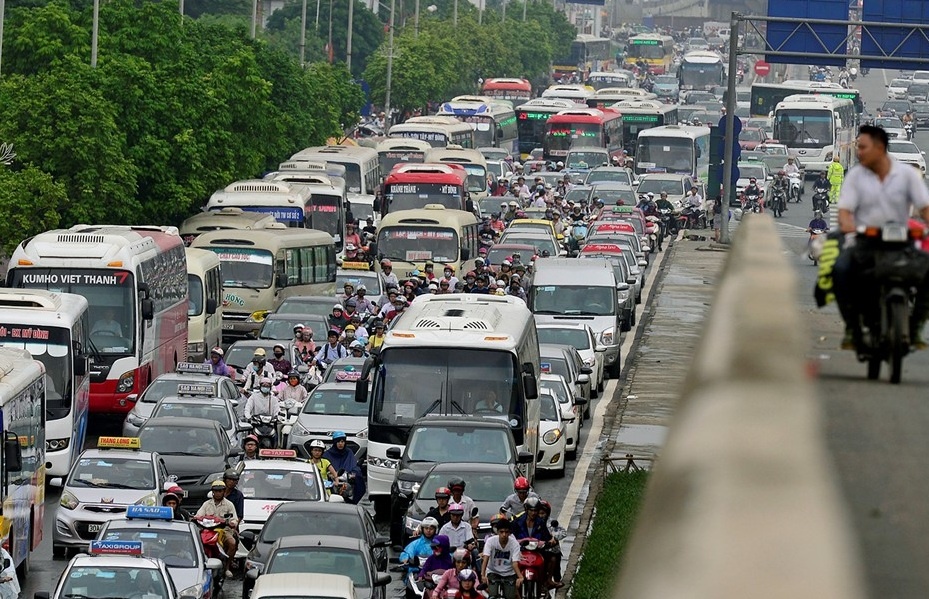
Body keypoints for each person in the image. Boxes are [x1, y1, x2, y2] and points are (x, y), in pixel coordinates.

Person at [832, 124, 929, 349]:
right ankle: (852, 328)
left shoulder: (906, 175)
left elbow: (925, 207)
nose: (859, 152)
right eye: (858, 147)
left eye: (863, 147)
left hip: (901, 242)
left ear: (880, 148)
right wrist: (848, 227)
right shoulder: (856, 176)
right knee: (840, 270)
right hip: (865, 241)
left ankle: (915, 328)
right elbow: (845, 211)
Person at [196, 480, 239, 577]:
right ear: (212, 492)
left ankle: (227, 567)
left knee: (232, 543)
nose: (218, 493)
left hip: (224, 531)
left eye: (220, 491)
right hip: (208, 531)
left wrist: (232, 523)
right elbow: (199, 515)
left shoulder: (229, 504)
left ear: (224, 491)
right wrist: (195, 518)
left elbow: (234, 519)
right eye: (216, 491)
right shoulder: (206, 504)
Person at [480, 518, 523, 599]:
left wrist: (520, 576)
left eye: (506, 532)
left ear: (510, 533)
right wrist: (483, 575)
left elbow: (515, 563)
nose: (504, 534)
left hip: (509, 573)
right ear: (497, 532)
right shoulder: (490, 541)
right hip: (493, 571)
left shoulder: (515, 544)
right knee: (492, 596)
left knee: (511, 596)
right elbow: (486, 558)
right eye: (501, 532)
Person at [323, 431, 365, 503]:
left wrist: (354, 472)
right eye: (338, 442)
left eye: (342, 441)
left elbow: (353, 465)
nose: (340, 444)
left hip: (347, 479)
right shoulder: (327, 454)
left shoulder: (348, 452)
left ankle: (353, 501)